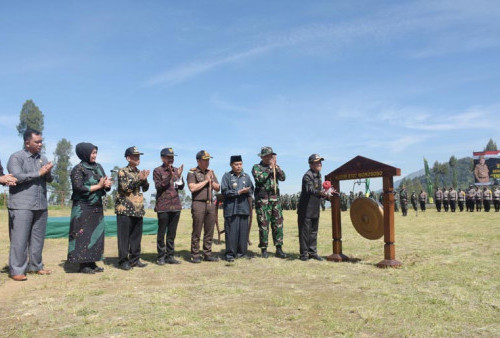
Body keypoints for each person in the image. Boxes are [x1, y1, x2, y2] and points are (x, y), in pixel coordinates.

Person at [7, 129, 53, 281]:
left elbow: (49, 180)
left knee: (37, 238)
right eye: (37, 142)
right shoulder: (16, 157)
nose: (40, 144)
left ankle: (36, 266)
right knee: (19, 239)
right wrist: (38, 173)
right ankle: (17, 270)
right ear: (27, 143)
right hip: (22, 204)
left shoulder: (43, 158)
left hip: (40, 204)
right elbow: (16, 177)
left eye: (41, 141)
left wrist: (47, 172)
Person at [68, 143, 112, 273]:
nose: (94, 155)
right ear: (84, 153)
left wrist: (107, 185)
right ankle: (83, 264)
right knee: (83, 234)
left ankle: (92, 261)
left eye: (95, 153)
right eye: (92, 153)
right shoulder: (78, 169)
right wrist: (99, 186)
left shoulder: (98, 167)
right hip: (82, 207)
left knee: (96, 235)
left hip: (96, 206)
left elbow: (104, 183)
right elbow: (79, 188)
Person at [115, 146, 150, 270]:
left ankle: (135, 259)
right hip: (124, 209)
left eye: (138, 156)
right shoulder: (122, 171)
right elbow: (125, 188)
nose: (138, 158)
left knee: (136, 236)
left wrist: (144, 180)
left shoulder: (138, 172)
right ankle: (123, 261)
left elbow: (145, 188)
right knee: (124, 237)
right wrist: (138, 179)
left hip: (137, 208)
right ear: (128, 158)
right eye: (135, 156)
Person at [252, 146, 287, 259]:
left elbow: (283, 178)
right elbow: (260, 179)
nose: (269, 158)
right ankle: (264, 249)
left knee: (278, 224)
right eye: (267, 156)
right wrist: (270, 169)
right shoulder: (257, 167)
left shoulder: (275, 167)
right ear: (262, 157)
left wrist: (276, 167)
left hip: (275, 199)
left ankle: (279, 248)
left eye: (271, 155)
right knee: (263, 225)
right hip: (263, 201)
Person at [187, 150, 220, 263]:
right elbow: (192, 188)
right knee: (197, 230)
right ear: (198, 161)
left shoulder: (210, 172)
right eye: (205, 160)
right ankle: (195, 254)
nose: (207, 162)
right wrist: (206, 181)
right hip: (198, 204)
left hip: (210, 203)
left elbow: (217, 187)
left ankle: (207, 253)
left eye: (208, 160)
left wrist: (211, 180)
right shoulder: (192, 172)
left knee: (209, 230)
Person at [153, 147, 184, 265]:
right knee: (162, 232)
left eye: (172, 157)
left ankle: (170, 256)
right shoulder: (157, 170)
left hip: (176, 205)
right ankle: (161, 256)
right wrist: (170, 176)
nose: (171, 159)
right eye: (168, 157)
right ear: (162, 158)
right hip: (163, 206)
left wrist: (179, 176)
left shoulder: (177, 170)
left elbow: (180, 187)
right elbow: (159, 186)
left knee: (172, 233)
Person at [220, 155, 254, 262]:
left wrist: (247, 191)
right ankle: (230, 254)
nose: (239, 166)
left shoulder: (246, 177)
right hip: (231, 209)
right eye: (236, 164)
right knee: (231, 232)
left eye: (240, 164)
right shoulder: (227, 176)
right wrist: (238, 192)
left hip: (244, 208)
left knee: (243, 232)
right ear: (231, 165)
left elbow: (251, 189)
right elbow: (224, 191)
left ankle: (242, 253)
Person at [297, 154, 327, 261]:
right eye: (317, 162)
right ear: (311, 164)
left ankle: (313, 252)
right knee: (305, 233)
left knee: (314, 232)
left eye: (320, 162)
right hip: (306, 210)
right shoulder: (307, 176)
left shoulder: (319, 175)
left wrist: (326, 196)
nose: (320, 164)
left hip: (315, 209)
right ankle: (304, 254)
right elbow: (310, 190)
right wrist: (321, 193)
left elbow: (318, 192)